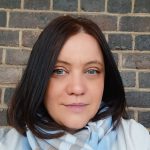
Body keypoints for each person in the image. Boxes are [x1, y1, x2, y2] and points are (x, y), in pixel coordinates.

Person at [0, 15, 150, 150]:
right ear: (39, 77)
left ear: (106, 80)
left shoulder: (136, 140)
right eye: (59, 71)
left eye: (91, 71)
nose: (77, 88)